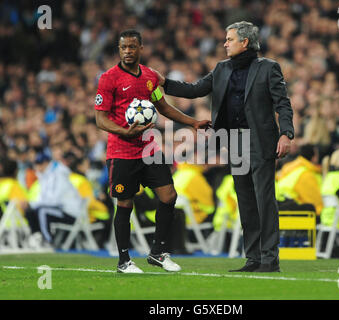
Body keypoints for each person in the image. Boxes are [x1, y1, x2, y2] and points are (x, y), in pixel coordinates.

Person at [155, 21, 294, 272]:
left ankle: (270, 259)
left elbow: (282, 104)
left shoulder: (269, 68)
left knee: (265, 199)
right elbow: (195, 90)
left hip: (260, 141)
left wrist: (286, 134)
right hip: (235, 142)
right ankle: (253, 258)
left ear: (245, 42)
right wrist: (163, 82)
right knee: (246, 201)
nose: (225, 43)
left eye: (229, 39)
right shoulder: (221, 68)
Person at [94, 29, 211, 273]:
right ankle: (124, 260)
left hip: (149, 149)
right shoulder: (108, 78)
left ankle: (158, 253)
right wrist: (124, 132)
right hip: (121, 152)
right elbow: (100, 119)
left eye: (132, 47)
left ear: (141, 49)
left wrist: (192, 122)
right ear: (119, 50)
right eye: (123, 47)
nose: (128, 51)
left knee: (169, 196)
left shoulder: (149, 78)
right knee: (125, 203)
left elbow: (163, 107)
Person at [275, 144, 323, 218]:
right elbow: (314, 203)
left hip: (279, 206)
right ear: (314, 158)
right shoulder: (306, 174)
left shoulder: (289, 167)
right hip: (291, 210)